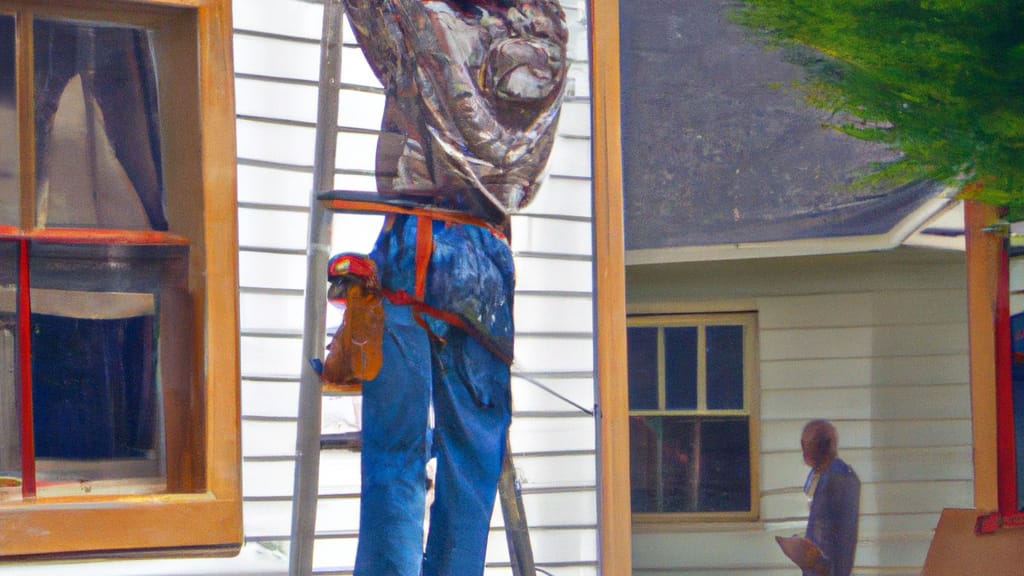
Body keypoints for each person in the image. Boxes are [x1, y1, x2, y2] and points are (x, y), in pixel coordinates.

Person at [332, 1, 568, 575]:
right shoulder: (551, 34)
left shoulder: (424, 20)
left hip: (420, 244)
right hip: (487, 261)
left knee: (396, 450)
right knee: (472, 453)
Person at [798, 419, 861, 576]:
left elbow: (830, 540)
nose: (804, 452)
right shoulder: (825, 474)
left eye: (807, 446)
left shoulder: (835, 479)